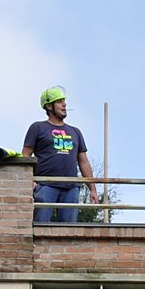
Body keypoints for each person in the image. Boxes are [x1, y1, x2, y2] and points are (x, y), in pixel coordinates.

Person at [21, 85, 98, 224]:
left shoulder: (75, 132)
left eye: (64, 101)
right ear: (49, 106)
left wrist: (92, 189)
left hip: (71, 188)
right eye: (59, 101)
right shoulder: (37, 128)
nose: (64, 104)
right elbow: (25, 156)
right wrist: (29, 180)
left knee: (69, 232)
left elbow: (84, 162)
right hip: (45, 186)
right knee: (41, 227)